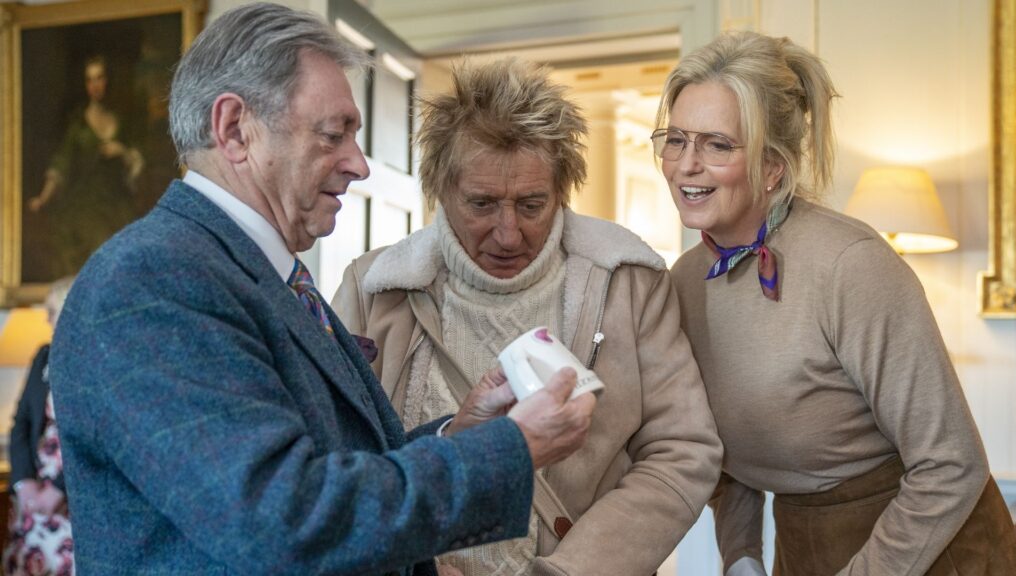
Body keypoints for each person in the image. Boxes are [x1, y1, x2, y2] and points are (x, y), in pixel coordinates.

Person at [47, 4, 595, 575]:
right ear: (234, 129)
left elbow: (335, 466)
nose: (360, 165)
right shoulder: (152, 281)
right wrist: (510, 451)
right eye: (334, 135)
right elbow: (282, 519)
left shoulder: (258, 271)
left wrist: (463, 434)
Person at [334, 57, 723, 576]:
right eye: (482, 204)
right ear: (440, 190)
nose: (508, 233)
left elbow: (683, 451)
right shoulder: (374, 288)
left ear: (562, 192)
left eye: (532, 205)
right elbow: (339, 470)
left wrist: (571, 571)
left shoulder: (628, 281)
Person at [655, 30, 1016, 575]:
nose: (686, 164)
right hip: (805, 544)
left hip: (933, 546)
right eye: (676, 139)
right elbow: (718, 449)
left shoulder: (851, 266)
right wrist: (741, 555)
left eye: (717, 145)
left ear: (774, 166)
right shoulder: (683, 283)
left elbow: (951, 466)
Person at [28, 56, 144, 279]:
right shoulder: (78, 124)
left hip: (118, 205)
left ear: (108, 81)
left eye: (99, 78)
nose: (95, 85)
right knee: (99, 253)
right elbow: (61, 163)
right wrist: (43, 198)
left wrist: (121, 151)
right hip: (86, 207)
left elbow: (138, 163)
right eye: (90, 80)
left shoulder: (121, 122)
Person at [4, 276, 76, 576]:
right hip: (33, 497)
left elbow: (96, 436)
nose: (46, 318)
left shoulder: (96, 360)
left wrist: (58, 491)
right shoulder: (43, 356)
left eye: (51, 310)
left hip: (73, 496)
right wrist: (24, 483)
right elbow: (20, 423)